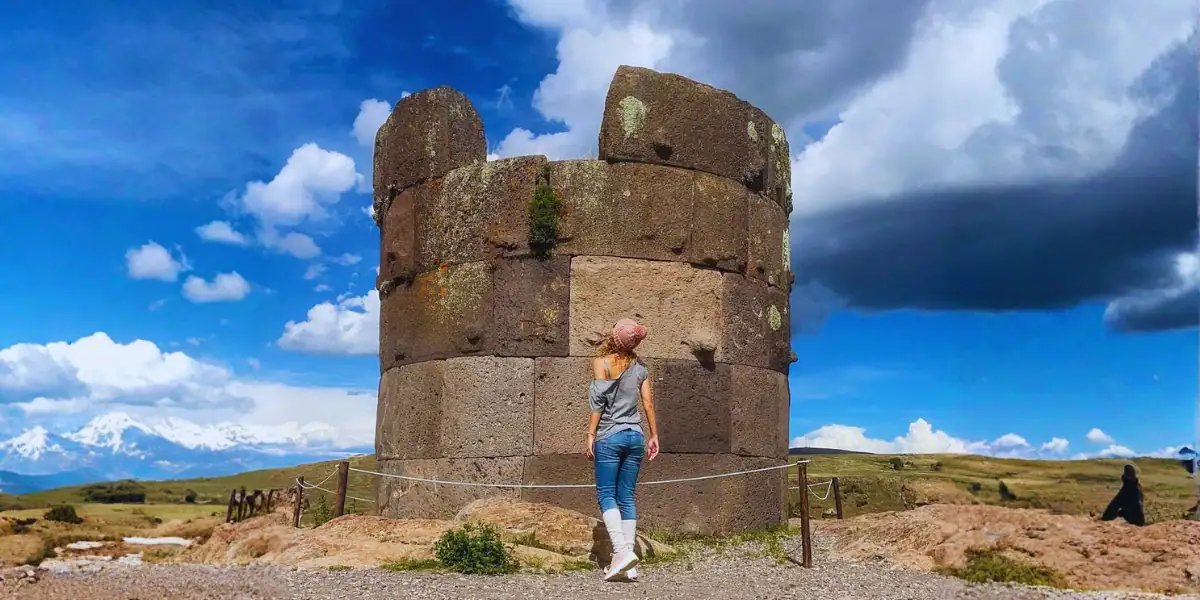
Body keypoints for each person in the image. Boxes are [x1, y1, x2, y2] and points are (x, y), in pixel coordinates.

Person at [586, 318, 660, 582]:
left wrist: (590, 434)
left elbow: (598, 403)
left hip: (610, 435)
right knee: (627, 496)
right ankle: (629, 565)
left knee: (607, 494)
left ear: (614, 338)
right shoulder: (641, 367)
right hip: (635, 437)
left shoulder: (601, 363)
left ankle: (620, 553)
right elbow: (648, 403)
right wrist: (653, 435)